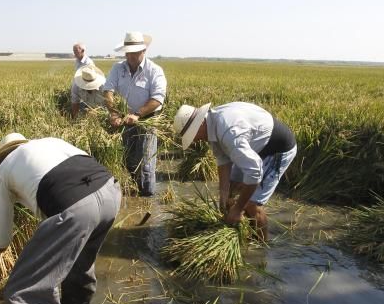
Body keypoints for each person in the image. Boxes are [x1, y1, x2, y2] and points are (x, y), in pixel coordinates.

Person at [0, 133, 121, 304]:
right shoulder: (50, 143)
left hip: (77, 206)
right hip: (111, 191)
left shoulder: (3, 170)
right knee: (78, 255)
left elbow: (2, 235)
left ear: (2, 155)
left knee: (23, 291)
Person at [173, 102, 297, 240]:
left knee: (251, 204)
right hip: (253, 146)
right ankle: (245, 232)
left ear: (199, 124)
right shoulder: (212, 124)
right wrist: (223, 197)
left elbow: (255, 172)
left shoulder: (229, 133)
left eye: (193, 135)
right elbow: (223, 161)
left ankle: (261, 248)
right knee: (232, 191)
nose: (195, 140)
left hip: (277, 149)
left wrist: (238, 209)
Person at [103, 31, 167, 197]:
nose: (130, 56)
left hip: (146, 121)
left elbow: (157, 99)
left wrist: (138, 114)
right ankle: (132, 196)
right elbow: (108, 91)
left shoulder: (154, 70)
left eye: (135, 52)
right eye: (128, 52)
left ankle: (147, 199)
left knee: (145, 165)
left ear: (144, 51)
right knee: (128, 159)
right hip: (124, 120)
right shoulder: (118, 68)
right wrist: (114, 113)